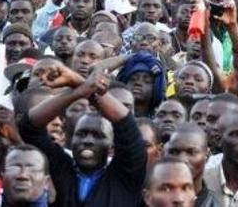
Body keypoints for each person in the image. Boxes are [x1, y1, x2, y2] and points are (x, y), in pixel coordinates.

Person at [19, 62, 147, 206]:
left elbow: (127, 124)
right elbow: (29, 127)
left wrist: (78, 81)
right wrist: (78, 91)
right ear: (70, 139)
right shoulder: (60, 168)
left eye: (98, 135)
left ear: (112, 146)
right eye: (81, 134)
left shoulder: (125, 177)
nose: (88, 140)